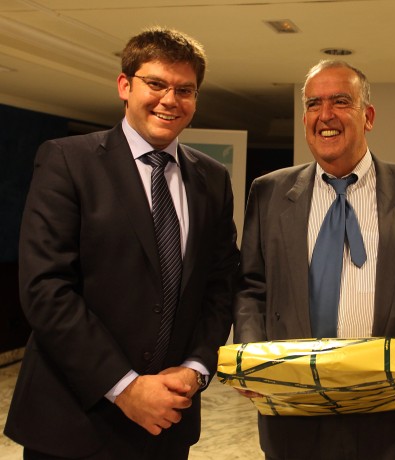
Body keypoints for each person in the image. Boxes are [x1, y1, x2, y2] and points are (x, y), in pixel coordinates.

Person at [4, 27, 240, 459]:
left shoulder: (212, 179)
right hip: (73, 423)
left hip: (167, 420)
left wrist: (196, 368)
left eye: (184, 90)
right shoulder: (67, 161)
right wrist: (124, 387)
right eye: (156, 84)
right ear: (124, 86)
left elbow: (220, 285)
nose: (170, 99)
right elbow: (46, 289)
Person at [233, 59, 395, 460]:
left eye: (340, 101)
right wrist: (252, 356)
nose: (325, 115)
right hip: (294, 415)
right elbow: (251, 287)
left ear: (369, 116)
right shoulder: (268, 193)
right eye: (314, 104)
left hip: (393, 414)